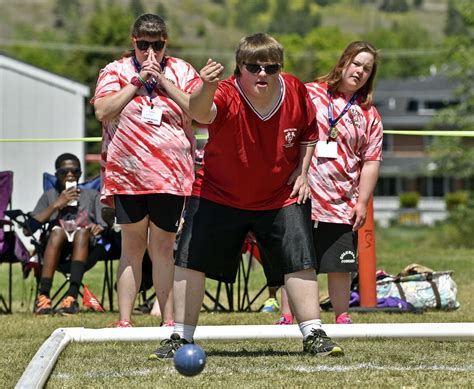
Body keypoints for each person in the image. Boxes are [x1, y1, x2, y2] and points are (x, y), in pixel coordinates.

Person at [149, 32, 343, 359]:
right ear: (239, 67)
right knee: (189, 259)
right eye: (254, 67)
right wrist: (206, 85)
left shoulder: (295, 90)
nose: (262, 74)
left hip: (278, 194)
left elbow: (310, 133)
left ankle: (314, 334)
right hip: (218, 192)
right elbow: (201, 113)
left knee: (300, 259)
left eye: (271, 67)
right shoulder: (225, 91)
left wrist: (303, 171)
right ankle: (180, 337)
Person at [92, 13, 201, 328]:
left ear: (165, 43)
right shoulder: (115, 70)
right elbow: (102, 110)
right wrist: (137, 82)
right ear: (133, 43)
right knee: (132, 246)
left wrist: (163, 81)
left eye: (156, 45)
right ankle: (124, 320)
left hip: (171, 175)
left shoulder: (181, 71)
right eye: (143, 45)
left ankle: (168, 319)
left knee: (164, 247)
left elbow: (198, 109)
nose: (150, 52)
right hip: (128, 175)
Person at [305, 41, 383, 324]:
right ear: (343, 63)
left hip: (343, 201)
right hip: (303, 195)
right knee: (299, 262)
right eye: (357, 64)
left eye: (367, 68)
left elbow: (372, 160)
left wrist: (362, 202)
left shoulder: (368, 113)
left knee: (340, 264)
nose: (360, 71)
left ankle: (341, 317)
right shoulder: (311, 93)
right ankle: (290, 317)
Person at [31, 153, 106, 315]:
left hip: (86, 249)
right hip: (56, 251)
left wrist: (98, 227)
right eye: (64, 172)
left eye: (75, 171)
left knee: (81, 233)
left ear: (80, 174)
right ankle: (43, 297)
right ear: (57, 174)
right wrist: (57, 204)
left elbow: (104, 224)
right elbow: (29, 228)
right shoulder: (50, 195)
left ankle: (71, 298)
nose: (70, 175)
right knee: (57, 232)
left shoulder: (92, 195)